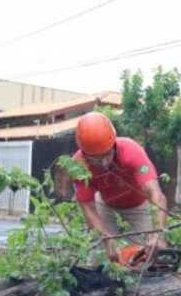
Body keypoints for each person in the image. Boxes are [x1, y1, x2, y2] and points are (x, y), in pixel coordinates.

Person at [72, 112, 168, 262]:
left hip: (138, 204)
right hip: (104, 203)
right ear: (84, 153)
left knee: (148, 253)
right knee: (101, 256)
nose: (103, 163)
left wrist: (157, 233)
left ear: (113, 145)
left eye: (106, 155)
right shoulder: (78, 166)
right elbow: (87, 207)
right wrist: (107, 239)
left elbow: (156, 194)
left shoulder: (131, 151)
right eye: (95, 159)